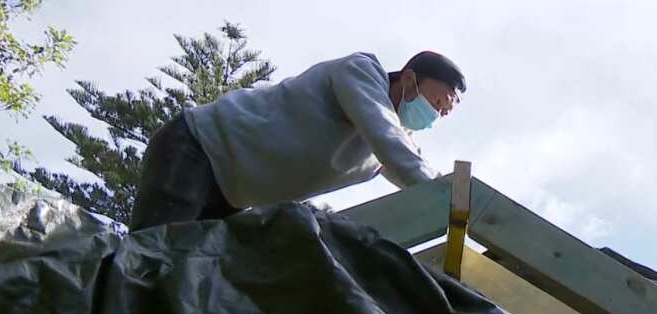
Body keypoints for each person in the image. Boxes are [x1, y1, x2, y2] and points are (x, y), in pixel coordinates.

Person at [129, 51, 465, 231]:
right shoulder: (360, 72)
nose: (436, 114)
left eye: (443, 112)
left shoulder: (387, 143)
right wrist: (451, 198)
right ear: (408, 79)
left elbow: (404, 160)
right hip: (197, 148)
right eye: (438, 102)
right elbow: (399, 153)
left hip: (231, 195)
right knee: (152, 262)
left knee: (190, 283)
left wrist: (447, 195)